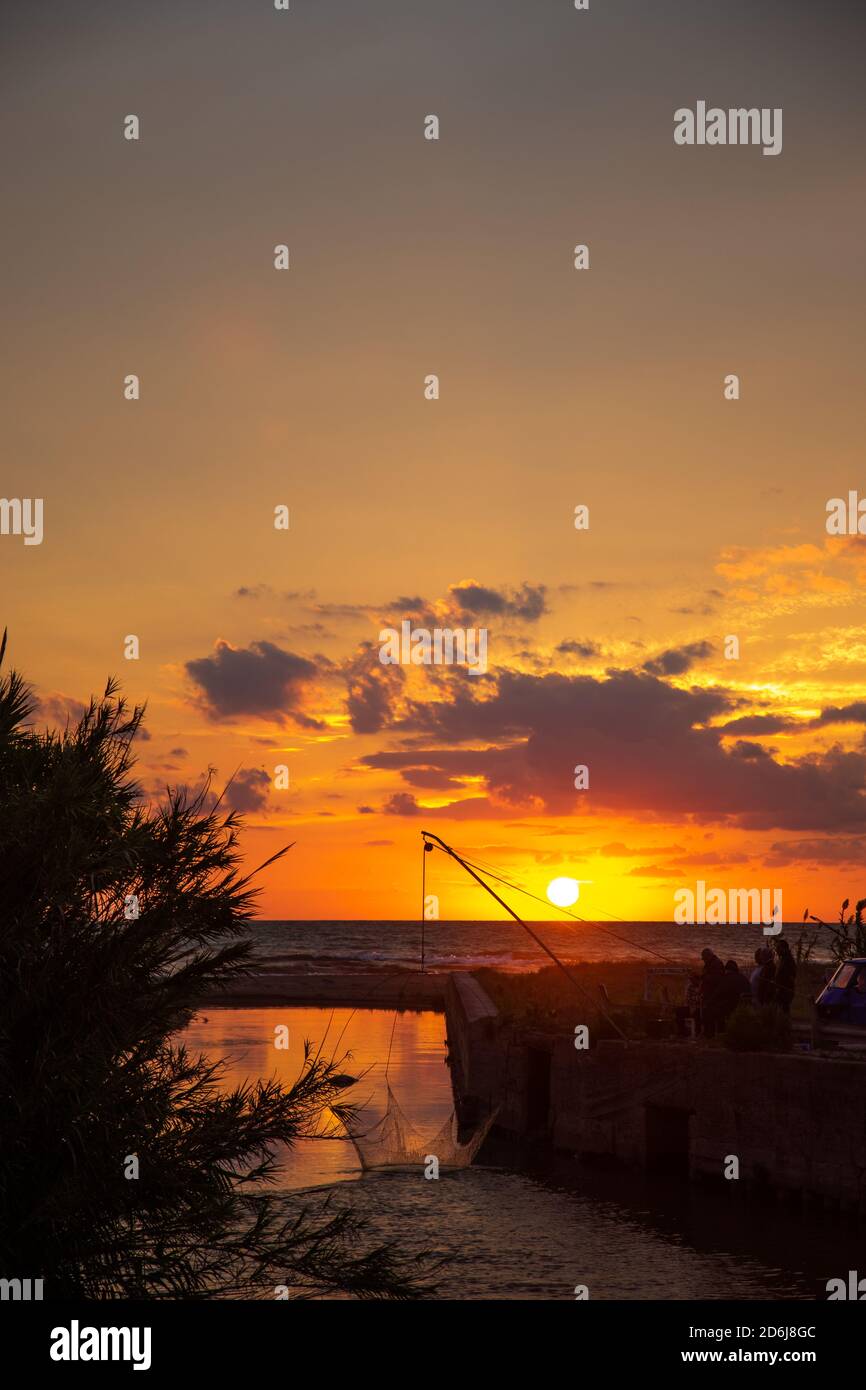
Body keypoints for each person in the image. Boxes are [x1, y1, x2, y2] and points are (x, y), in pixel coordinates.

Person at [699, 948, 726, 1038]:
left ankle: (710, 1035)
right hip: (709, 995)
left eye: (704, 958)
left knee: (710, 1016)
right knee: (707, 1015)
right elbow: (707, 976)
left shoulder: (717, 964)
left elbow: (716, 979)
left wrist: (704, 977)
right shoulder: (710, 963)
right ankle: (708, 1035)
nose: (703, 960)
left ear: (708, 956)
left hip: (713, 996)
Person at [773, 939, 796, 1014]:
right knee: (782, 1010)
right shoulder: (782, 959)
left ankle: (785, 1024)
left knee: (784, 1010)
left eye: (779, 948)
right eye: (776, 948)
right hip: (781, 990)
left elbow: (791, 976)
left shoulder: (788, 960)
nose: (776, 950)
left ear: (784, 948)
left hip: (785, 991)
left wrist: (782, 988)